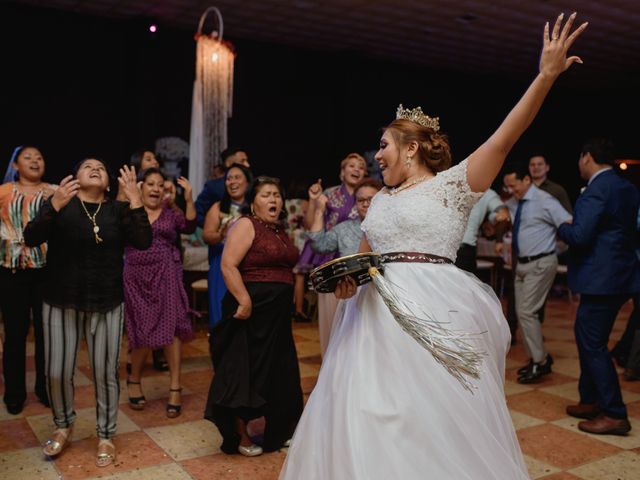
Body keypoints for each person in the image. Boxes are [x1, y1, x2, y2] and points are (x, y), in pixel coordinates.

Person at [280, 13, 587, 479]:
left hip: (436, 311)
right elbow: (363, 258)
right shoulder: (379, 200)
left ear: (410, 149)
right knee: (366, 413)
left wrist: (544, 77)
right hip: (370, 322)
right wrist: (346, 281)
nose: (376, 154)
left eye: (383, 145)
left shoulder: (453, 186)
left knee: (430, 417)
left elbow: (504, 140)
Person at [24, 159, 151, 467]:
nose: (95, 168)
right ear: (76, 178)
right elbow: (30, 238)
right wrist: (53, 205)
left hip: (106, 301)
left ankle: (106, 435)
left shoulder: (117, 211)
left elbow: (143, 242)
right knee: (56, 371)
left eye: (101, 167)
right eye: (87, 166)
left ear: (108, 184)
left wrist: (135, 201)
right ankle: (63, 425)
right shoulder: (61, 205)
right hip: (60, 299)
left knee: (106, 373)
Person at [205, 177, 303, 457]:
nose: (274, 200)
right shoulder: (246, 225)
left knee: (281, 371)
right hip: (252, 310)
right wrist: (244, 300)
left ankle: (281, 431)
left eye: (277, 195)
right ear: (253, 202)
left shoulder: (279, 229)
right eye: (266, 195)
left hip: (278, 314)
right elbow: (228, 264)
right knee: (250, 371)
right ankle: (240, 430)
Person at [558, 138, 639, 436]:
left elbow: (579, 236)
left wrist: (562, 225)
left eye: (580, 158)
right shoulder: (626, 187)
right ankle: (590, 399)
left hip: (601, 278)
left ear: (587, 157)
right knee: (588, 336)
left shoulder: (596, 189)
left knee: (592, 342)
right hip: (621, 275)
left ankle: (614, 413)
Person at [123, 168, 196, 418]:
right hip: (136, 275)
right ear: (140, 187)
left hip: (167, 272)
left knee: (173, 326)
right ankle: (134, 379)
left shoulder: (170, 214)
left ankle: (175, 386)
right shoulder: (129, 212)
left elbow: (189, 225)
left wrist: (187, 199)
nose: (155, 189)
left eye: (160, 185)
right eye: (150, 184)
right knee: (142, 327)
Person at [502, 163, 572, 384]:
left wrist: (556, 248)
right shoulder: (515, 202)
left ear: (526, 181)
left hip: (541, 263)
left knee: (526, 312)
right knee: (522, 313)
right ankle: (538, 358)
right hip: (521, 265)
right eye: (508, 188)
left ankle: (540, 362)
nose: (511, 192)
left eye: (514, 187)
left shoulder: (545, 200)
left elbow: (569, 223)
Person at [0, 146, 55, 414]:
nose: (35, 160)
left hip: (47, 272)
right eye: (28, 157)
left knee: (47, 334)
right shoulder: (3, 193)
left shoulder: (56, 192)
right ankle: (14, 393)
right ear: (15, 165)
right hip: (11, 272)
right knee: (14, 334)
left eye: (39, 157)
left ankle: (44, 389)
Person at [296, 153, 367, 353]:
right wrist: (313, 202)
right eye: (351, 166)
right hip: (332, 259)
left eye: (361, 166)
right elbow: (311, 226)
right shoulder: (331, 194)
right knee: (332, 321)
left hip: (360, 263)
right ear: (342, 172)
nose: (356, 169)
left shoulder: (369, 196)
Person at [202, 163, 252, 327]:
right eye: (228, 178)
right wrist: (220, 235)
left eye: (237, 177)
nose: (232, 182)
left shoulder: (254, 207)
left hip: (249, 265)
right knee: (221, 313)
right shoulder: (217, 207)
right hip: (221, 265)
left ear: (247, 182)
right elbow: (207, 236)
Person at [307, 178, 383, 258]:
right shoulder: (344, 229)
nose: (365, 204)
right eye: (360, 200)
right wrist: (319, 211)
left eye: (370, 199)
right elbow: (318, 245)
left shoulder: (392, 224)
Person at [455, 188, 508, 275]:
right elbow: (503, 214)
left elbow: (503, 214)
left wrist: (498, 239)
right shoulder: (487, 192)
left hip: (463, 249)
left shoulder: (487, 193)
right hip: (460, 248)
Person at [195, 147, 250, 226]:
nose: (247, 165)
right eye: (242, 161)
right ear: (229, 163)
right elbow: (198, 212)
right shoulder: (214, 186)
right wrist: (214, 227)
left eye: (247, 160)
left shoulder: (253, 184)